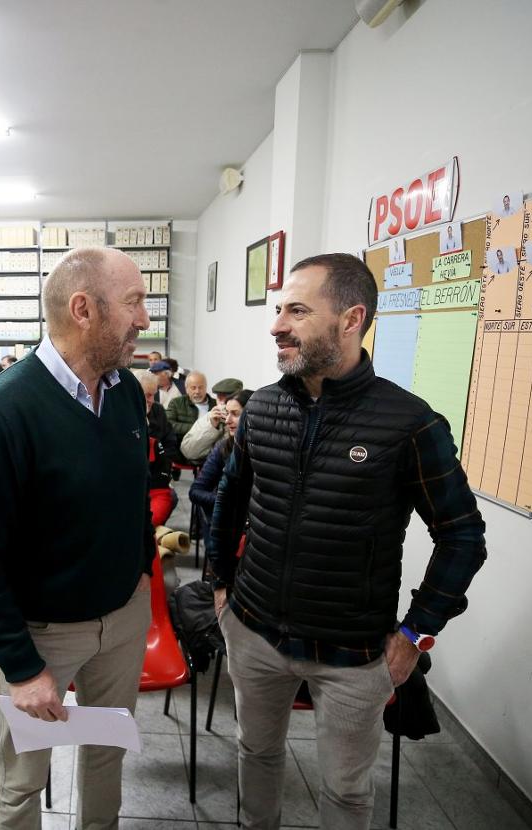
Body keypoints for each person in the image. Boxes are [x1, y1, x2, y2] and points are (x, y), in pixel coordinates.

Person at [208, 253, 487, 830]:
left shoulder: (409, 424)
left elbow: (462, 536)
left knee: (345, 790)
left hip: (354, 654)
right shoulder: (262, 408)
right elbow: (230, 499)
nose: (277, 325)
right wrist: (220, 585)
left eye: (298, 311)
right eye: (279, 309)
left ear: (351, 319)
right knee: (256, 753)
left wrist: (416, 634)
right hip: (254, 630)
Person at [0, 246, 153, 829]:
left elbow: (134, 493)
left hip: (122, 619)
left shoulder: (125, 391)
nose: (144, 319)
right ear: (83, 309)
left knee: (108, 755)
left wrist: (140, 569)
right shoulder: (3, 412)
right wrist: (20, 666)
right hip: (41, 636)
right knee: (23, 779)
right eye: (134, 302)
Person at [188, 389, 250, 533]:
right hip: (224, 522)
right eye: (227, 413)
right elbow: (195, 491)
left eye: (235, 414)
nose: (227, 420)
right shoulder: (223, 447)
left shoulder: (266, 450)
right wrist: (224, 500)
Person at [139, 374, 179, 526]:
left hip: (156, 475)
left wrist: (162, 464)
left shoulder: (158, 410)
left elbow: (170, 443)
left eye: (153, 395)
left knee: (171, 498)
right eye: (147, 395)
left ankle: (155, 531)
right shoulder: (124, 414)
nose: (151, 400)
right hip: (134, 479)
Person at [180, 378, 245, 464]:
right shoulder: (209, 417)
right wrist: (211, 426)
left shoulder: (246, 418)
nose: (222, 403)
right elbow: (188, 451)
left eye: (226, 398)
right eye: (219, 398)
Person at [165, 370, 211, 439]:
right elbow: (168, 424)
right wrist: (196, 428)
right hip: (183, 443)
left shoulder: (215, 404)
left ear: (206, 387)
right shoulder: (176, 403)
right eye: (193, 388)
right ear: (186, 389)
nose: (197, 391)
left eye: (201, 387)